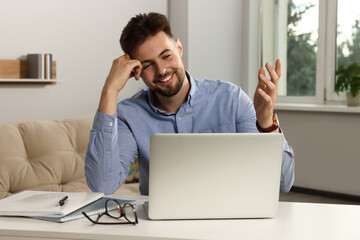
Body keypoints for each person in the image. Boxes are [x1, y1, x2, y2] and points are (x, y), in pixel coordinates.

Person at [85, 12, 294, 195]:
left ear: (179, 47)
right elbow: (103, 185)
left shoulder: (231, 99)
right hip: (160, 227)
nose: (162, 70)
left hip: (230, 220)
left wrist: (266, 121)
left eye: (166, 56)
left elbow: (283, 183)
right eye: (148, 65)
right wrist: (110, 90)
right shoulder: (128, 115)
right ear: (135, 71)